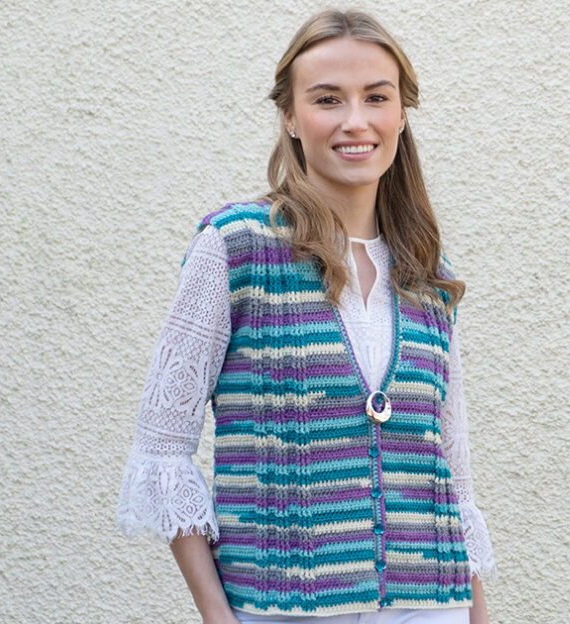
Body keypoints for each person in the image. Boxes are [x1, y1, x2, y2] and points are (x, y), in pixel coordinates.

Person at [116, 9, 496, 624]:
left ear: (401, 113)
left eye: (377, 97)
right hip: (283, 608)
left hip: (434, 606)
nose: (356, 121)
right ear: (290, 117)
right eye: (328, 99)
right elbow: (163, 448)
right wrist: (221, 618)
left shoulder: (427, 271)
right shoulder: (236, 247)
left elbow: (450, 475)